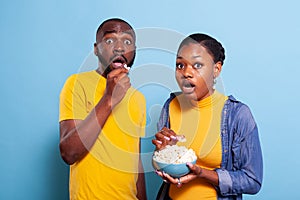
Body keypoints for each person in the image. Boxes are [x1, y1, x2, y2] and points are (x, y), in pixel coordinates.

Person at [152, 33, 263, 200]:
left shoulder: (238, 115)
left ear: (216, 69)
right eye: (180, 65)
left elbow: (252, 180)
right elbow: (160, 166)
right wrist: (162, 154)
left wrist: (202, 174)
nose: (186, 73)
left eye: (197, 65)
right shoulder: (170, 106)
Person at [59, 18, 147, 200]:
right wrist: (109, 99)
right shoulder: (77, 84)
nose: (119, 48)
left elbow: (135, 162)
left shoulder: (139, 99)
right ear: (96, 49)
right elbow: (69, 152)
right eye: (109, 40)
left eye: (127, 42)